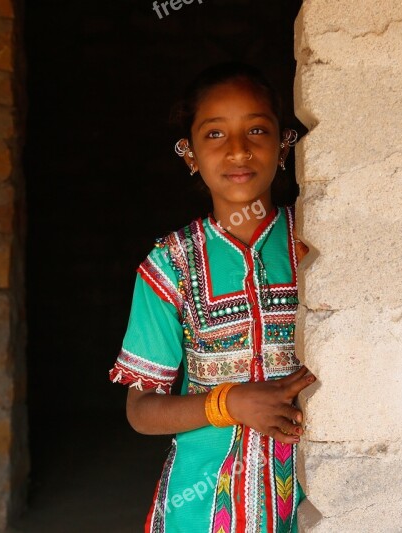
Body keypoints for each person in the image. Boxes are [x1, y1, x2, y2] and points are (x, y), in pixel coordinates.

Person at [108, 61, 316, 533]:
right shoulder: (170, 266)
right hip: (201, 510)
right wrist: (228, 404)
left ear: (284, 143)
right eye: (216, 135)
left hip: (315, 499)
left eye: (257, 130)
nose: (239, 151)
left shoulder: (316, 244)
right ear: (190, 155)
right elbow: (141, 411)